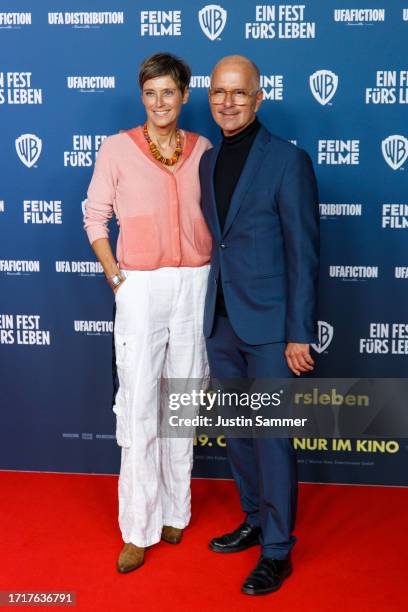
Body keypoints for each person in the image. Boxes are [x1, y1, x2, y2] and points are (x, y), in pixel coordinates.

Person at [83, 52, 212, 573]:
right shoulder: (116, 148)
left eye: (169, 92)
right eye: (150, 93)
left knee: (182, 398)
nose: (160, 102)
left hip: (195, 283)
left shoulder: (203, 149)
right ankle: (137, 527)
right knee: (139, 402)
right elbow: (95, 217)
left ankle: (175, 510)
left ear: (184, 95)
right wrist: (117, 276)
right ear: (143, 97)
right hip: (139, 285)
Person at [199, 55, 319, 595]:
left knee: (272, 437)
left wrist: (298, 331)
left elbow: (303, 253)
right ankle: (253, 519)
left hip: (271, 327)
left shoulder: (287, 162)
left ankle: (277, 549)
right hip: (221, 321)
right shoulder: (206, 161)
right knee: (241, 435)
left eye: (239, 93)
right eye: (219, 92)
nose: (228, 102)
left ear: (259, 97)